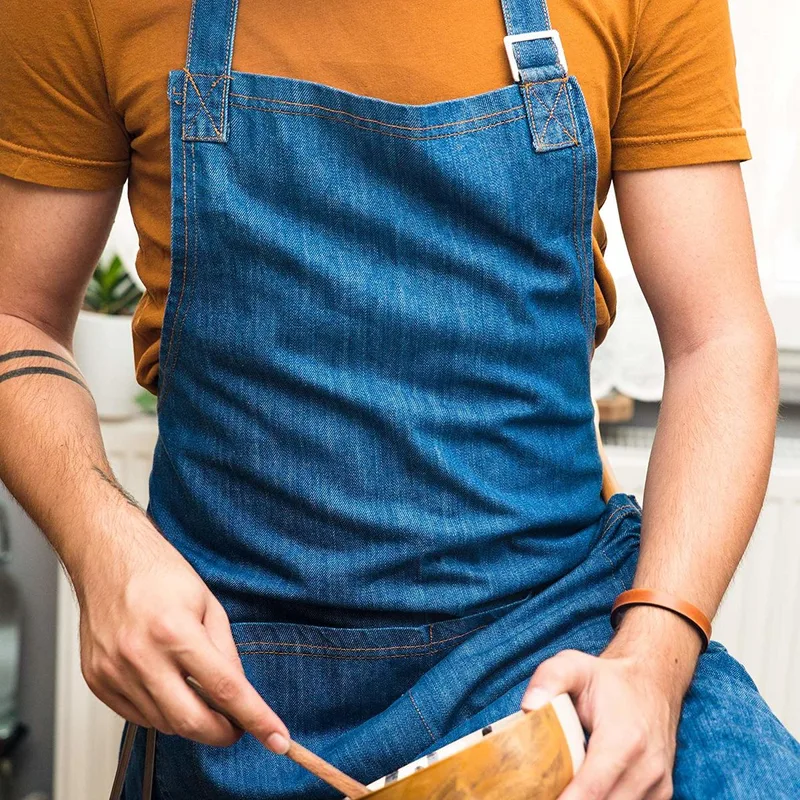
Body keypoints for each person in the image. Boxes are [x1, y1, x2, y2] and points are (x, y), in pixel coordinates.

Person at [1, 0, 799, 797]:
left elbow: (718, 339)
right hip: (234, 681)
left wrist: (655, 652)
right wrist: (100, 545)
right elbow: (16, 317)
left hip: (557, 648)